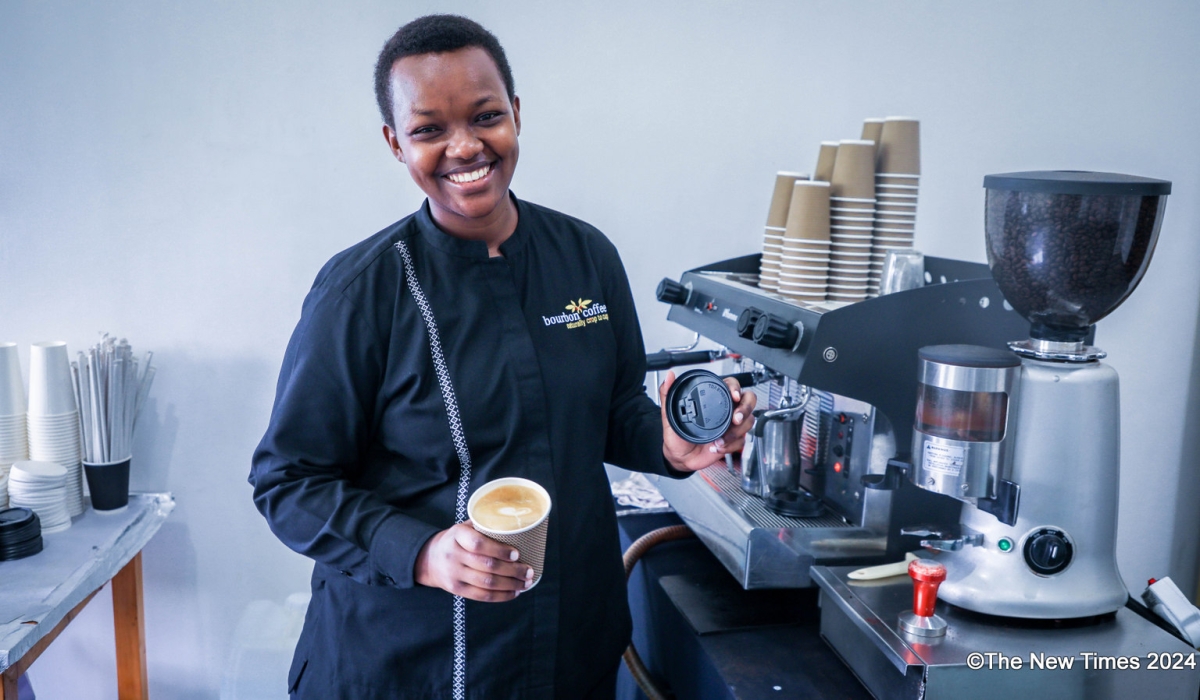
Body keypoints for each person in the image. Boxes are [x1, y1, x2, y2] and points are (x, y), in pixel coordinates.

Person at [249, 14, 755, 699]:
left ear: (515, 114)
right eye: (429, 129)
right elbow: (290, 482)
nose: (465, 147)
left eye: (485, 116)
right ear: (396, 144)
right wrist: (421, 552)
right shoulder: (360, 292)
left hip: (566, 651)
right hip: (408, 664)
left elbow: (610, 412)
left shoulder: (585, 257)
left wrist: (668, 442)